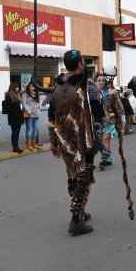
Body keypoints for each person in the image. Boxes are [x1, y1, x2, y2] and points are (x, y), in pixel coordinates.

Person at [46, 50, 106, 235]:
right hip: (82, 139)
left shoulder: (57, 86)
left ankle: (79, 209)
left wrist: (54, 142)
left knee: (73, 174)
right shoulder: (86, 87)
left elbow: (51, 117)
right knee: (84, 177)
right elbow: (100, 113)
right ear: (80, 64)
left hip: (64, 139)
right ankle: (76, 219)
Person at [96, 75, 124, 170]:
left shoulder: (111, 92)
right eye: (99, 80)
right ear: (96, 82)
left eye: (103, 80)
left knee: (106, 138)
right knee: (100, 141)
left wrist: (120, 116)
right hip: (97, 120)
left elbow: (118, 105)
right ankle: (108, 157)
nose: (101, 82)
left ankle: (103, 160)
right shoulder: (92, 92)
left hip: (109, 119)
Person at [3, 83, 25, 153]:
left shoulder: (17, 95)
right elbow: (8, 108)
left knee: (17, 132)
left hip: (18, 116)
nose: (18, 89)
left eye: (18, 87)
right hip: (13, 117)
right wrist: (15, 114)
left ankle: (16, 146)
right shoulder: (9, 95)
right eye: (16, 87)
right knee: (15, 132)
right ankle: (15, 147)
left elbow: (19, 105)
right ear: (13, 87)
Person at [21, 82, 42, 151]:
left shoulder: (36, 94)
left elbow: (39, 103)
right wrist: (28, 111)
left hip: (36, 114)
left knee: (35, 129)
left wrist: (39, 110)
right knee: (29, 129)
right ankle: (28, 144)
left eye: (33, 86)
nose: (31, 87)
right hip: (29, 114)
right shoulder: (25, 94)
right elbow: (24, 103)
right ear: (28, 86)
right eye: (30, 86)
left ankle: (34, 143)